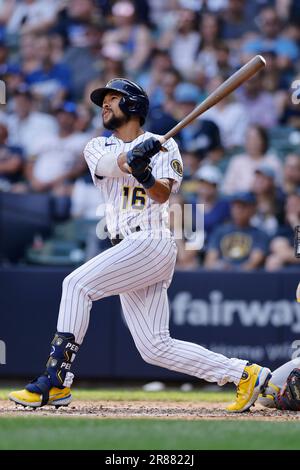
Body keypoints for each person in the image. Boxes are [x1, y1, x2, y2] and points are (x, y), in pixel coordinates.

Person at [9, 78, 271, 413]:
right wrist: (133, 158)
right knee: (154, 347)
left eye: (113, 98)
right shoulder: (96, 146)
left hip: (151, 239)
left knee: (76, 284)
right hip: (125, 245)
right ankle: (245, 373)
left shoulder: (165, 146)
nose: (104, 104)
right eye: (104, 100)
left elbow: (162, 194)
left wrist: (145, 172)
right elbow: (110, 165)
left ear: (133, 105)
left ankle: (55, 380)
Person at [205, 191, 269, 271]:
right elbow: (210, 261)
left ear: (253, 209)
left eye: (243, 206)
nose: (238, 210)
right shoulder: (220, 231)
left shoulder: (259, 234)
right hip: (220, 278)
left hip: (246, 279)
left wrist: (233, 270)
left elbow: (254, 262)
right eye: (235, 206)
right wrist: (220, 267)